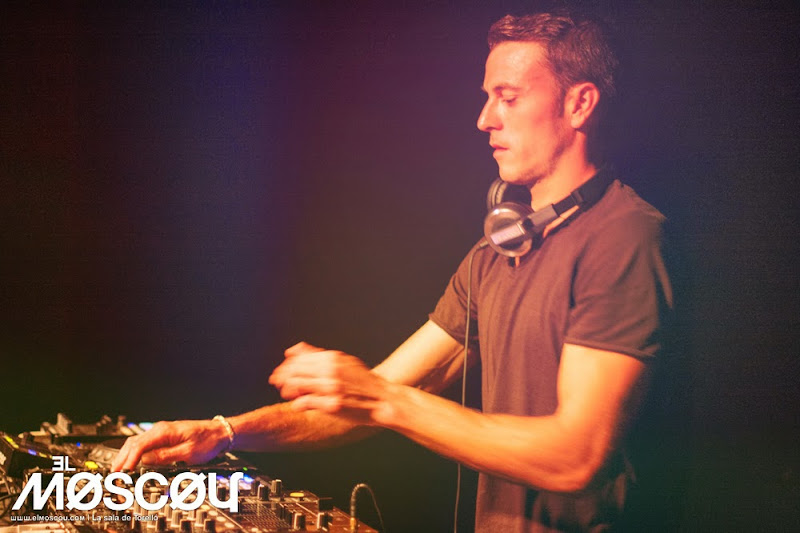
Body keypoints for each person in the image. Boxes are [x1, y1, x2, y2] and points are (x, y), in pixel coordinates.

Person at [112, 11, 672, 532]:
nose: (484, 120)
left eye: (507, 97)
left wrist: (382, 399)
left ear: (579, 104)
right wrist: (223, 432)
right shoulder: (494, 253)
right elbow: (387, 390)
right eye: (487, 98)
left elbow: (577, 456)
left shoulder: (623, 236)